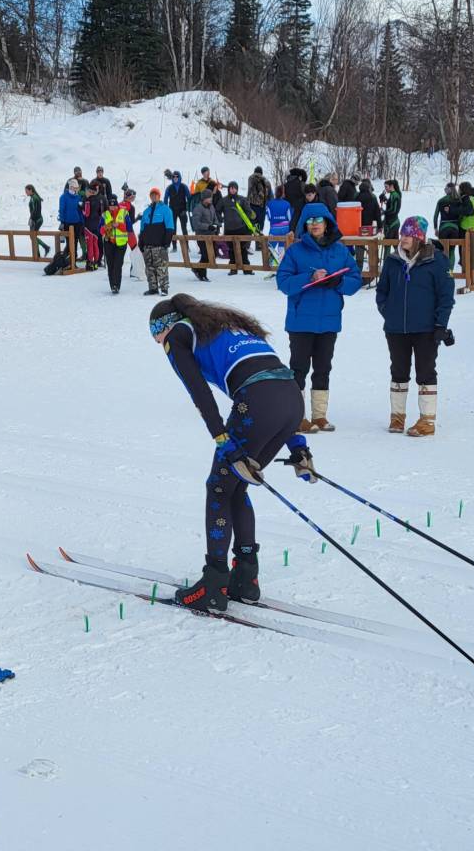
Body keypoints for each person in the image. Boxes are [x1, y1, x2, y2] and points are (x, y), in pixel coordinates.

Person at [149, 293, 316, 613]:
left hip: (258, 402)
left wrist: (221, 438)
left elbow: (199, 391)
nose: (159, 344)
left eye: (156, 336)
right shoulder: (226, 325)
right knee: (234, 487)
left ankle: (213, 585)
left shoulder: (178, 335)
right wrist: (297, 445)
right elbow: (274, 377)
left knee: (219, 487)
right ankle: (245, 579)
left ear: (163, 327)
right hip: (292, 400)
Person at [276, 203, 363, 432]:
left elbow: (356, 280)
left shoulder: (340, 251)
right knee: (299, 369)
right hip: (301, 321)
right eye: (310, 221)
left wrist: (338, 282)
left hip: (329, 321)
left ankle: (320, 416)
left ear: (327, 223)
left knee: (323, 368)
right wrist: (309, 277)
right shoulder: (295, 251)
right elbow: (283, 283)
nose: (314, 224)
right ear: (305, 225)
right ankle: (297, 417)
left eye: (318, 220)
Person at [376, 216, 455, 437]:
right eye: (402, 234)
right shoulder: (393, 260)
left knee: (426, 371)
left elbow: (446, 296)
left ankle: (427, 420)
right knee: (398, 371)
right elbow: (382, 291)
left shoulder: (437, 261)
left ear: (419, 237)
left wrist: (440, 324)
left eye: (408, 235)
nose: (403, 238)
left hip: (426, 329)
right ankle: (397, 416)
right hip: (396, 328)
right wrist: (388, 311)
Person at [139, 187, 175, 295]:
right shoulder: (146, 211)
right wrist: (141, 242)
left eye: (156, 195)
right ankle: (153, 288)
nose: (154, 196)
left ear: (159, 196)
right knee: (149, 268)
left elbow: (170, 227)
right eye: (152, 195)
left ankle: (164, 288)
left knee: (161, 267)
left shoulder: (165, 209)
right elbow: (142, 229)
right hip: (148, 245)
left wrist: (166, 243)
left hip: (160, 245)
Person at [100, 193, 135, 294]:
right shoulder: (105, 214)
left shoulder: (124, 213)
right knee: (110, 265)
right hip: (108, 242)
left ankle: (116, 285)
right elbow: (100, 230)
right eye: (111, 206)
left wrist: (119, 225)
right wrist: (106, 227)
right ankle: (112, 286)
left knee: (117, 264)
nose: (112, 208)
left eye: (114, 206)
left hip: (121, 243)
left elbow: (129, 228)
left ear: (117, 205)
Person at [222, 181, 257, 276]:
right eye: (231, 188)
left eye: (234, 188)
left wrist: (249, 220)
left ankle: (247, 269)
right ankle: (233, 269)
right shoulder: (224, 200)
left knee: (243, 249)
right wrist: (220, 219)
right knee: (231, 250)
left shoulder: (242, 199)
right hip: (229, 229)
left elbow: (248, 211)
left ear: (237, 189)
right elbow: (217, 210)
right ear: (228, 189)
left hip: (241, 229)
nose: (233, 190)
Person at [433, 182, 463, 271]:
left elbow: (435, 216)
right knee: (452, 251)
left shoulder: (441, 200)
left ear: (449, 189)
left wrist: (435, 228)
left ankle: (443, 272)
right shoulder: (459, 200)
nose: (444, 190)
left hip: (444, 227)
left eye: (445, 188)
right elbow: (461, 216)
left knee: (442, 250)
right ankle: (451, 272)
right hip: (455, 228)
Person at [190, 189, 219, 281]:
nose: (211, 199)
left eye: (211, 197)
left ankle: (196, 268)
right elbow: (196, 224)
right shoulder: (198, 208)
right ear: (204, 198)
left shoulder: (211, 207)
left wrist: (217, 225)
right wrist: (208, 227)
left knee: (214, 254)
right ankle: (202, 274)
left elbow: (215, 218)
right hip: (201, 236)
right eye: (209, 197)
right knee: (206, 255)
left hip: (211, 236)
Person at [356, 179, 382, 273]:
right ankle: (372, 268)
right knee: (371, 245)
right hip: (369, 227)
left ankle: (359, 268)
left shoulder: (356, 197)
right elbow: (377, 213)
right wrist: (380, 225)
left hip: (358, 227)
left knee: (360, 246)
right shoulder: (372, 197)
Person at [58, 177, 85, 261]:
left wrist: (82, 221)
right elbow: (62, 210)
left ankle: (74, 258)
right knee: (69, 241)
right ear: (71, 187)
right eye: (75, 187)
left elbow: (80, 211)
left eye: (77, 188)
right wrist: (62, 222)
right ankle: (69, 258)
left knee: (75, 241)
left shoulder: (78, 197)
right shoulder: (63, 197)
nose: (76, 189)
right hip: (67, 223)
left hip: (77, 223)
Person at [164, 170, 191, 250]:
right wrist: (166, 210)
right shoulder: (169, 188)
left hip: (182, 210)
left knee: (184, 229)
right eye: (174, 176)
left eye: (177, 176)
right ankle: (174, 246)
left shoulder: (184, 186)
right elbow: (165, 199)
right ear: (172, 178)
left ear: (179, 177)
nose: (175, 178)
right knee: (173, 229)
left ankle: (187, 246)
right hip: (172, 211)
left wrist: (186, 209)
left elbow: (189, 198)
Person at [265, 185, 292, 265]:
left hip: (274, 228)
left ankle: (271, 265)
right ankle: (281, 264)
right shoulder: (287, 203)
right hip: (285, 228)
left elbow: (269, 217)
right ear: (283, 193)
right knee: (282, 247)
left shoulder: (270, 203)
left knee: (271, 247)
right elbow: (289, 217)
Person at [458, 181, 474, 265]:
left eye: (459, 189)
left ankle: (462, 260)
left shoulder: (465, 198)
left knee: (462, 244)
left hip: (466, 225)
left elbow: (463, 212)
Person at [25, 184, 50, 257]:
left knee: (32, 236)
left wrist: (32, 219)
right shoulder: (33, 197)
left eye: (26, 191)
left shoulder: (34, 198)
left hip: (37, 220)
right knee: (33, 236)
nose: (25, 193)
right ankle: (37, 254)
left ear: (30, 190)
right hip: (36, 219)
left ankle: (45, 247)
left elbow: (36, 211)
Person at [246, 166, 271, 232]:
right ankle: (259, 235)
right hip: (261, 207)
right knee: (260, 228)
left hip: (252, 205)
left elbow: (249, 191)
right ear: (261, 173)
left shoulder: (251, 178)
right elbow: (269, 194)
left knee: (251, 226)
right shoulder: (266, 181)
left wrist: (247, 202)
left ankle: (251, 235)